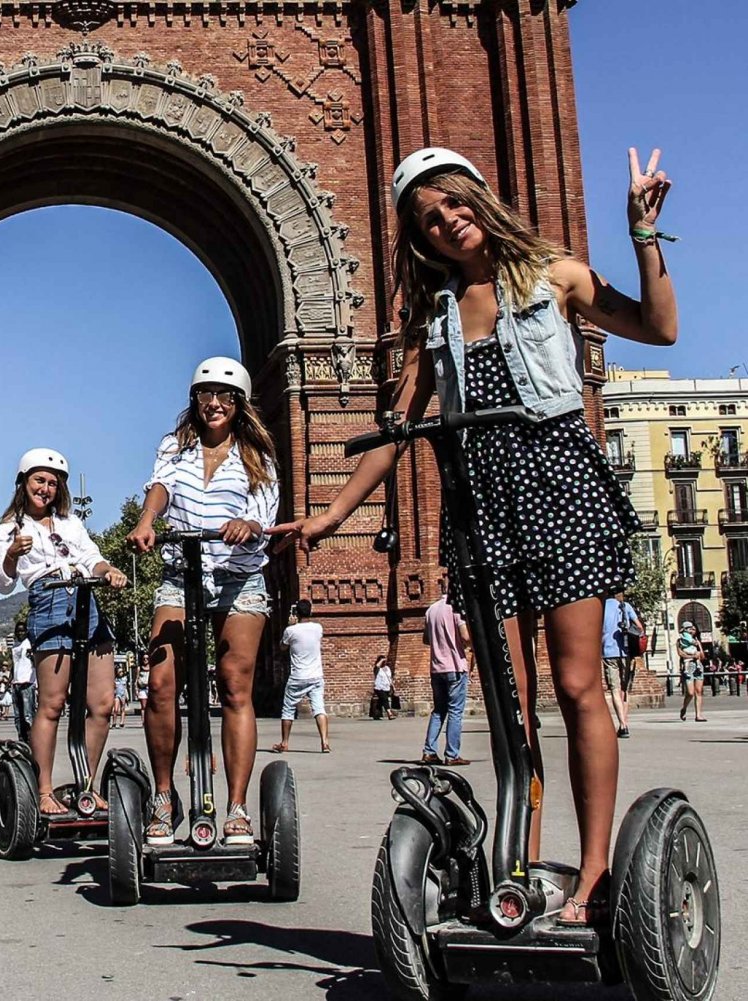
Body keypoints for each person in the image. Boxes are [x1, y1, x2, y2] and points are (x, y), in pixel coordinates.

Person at [270, 145, 676, 926]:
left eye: (454, 203)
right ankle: (516, 860)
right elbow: (394, 429)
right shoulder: (439, 317)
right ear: (421, 240)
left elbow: (658, 327)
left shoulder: (556, 274)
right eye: (430, 219)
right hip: (481, 504)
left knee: (578, 683)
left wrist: (643, 235)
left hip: (562, 488)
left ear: (479, 199)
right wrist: (327, 515)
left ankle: (593, 873)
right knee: (506, 695)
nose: (448, 221)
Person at [128, 357, 278, 847]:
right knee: (162, 679)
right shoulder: (176, 445)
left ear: (239, 405)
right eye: (205, 395)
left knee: (235, 685)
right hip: (182, 570)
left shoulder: (257, 454)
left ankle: (236, 808)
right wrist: (148, 520)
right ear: (194, 400)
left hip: (239, 577)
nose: (214, 403)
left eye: (225, 396)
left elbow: (263, 513)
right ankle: (164, 796)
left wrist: (248, 525)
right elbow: (160, 489)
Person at [0, 447, 128, 817]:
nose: (46, 488)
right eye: (40, 480)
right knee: (51, 704)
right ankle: (44, 790)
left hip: (86, 599)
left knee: (101, 703)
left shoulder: (70, 523)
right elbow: (2, 585)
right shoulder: (9, 529)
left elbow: (91, 557)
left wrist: (109, 571)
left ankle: (86, 785)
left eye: (53, 483)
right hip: (50, 601)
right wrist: (11, 555)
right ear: (23, 483)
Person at [422, 590, 472, 764]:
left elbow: (426, 639)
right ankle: (452, 754)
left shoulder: (431, 610)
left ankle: (429, 752)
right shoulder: (457, 609)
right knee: (455, 711)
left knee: (438, 711)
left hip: (436, 668)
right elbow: (465, 636)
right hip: (455, 666)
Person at [274, 600, 331, 753]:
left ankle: (285, 742)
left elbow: (282, 647)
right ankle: (325, 742)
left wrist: (290, 625)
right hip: (316, 676)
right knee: (319, 708)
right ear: (310, 612)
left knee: (288, 709)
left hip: (298, 676)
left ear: (296, 613)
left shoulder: (290, 631)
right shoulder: (318, 628)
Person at [602, 592, 643, 737]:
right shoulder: (625, 606)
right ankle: (624, 722)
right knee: (625, 689)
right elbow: (639, 628)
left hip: (608, 652)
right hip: (626, 653)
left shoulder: (601, 607)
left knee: (615, 689)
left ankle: (623, 725)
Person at [10, 623, 36, 742]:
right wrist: (11, 680)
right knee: (18, 717)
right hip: (16, 683)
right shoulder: (15, 646)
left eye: (23, 631)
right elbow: (14, 664)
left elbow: (35, 662)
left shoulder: (29, 644)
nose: (20, 633)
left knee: (28, 715)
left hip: (27, 682)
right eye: (18, 631)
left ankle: (32, 740)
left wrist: (33, 656)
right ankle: (22, 739)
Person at [677, 621, 706, 722]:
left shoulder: (696, 641)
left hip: (698, 666)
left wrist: (700, 647)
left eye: (693, 629)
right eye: (690, 629)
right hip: (688, 665)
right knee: (690, 692)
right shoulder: (681, 641)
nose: (692, 631)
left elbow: (702, 656)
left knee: (698, 691)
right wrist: (692, 656)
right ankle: (684, 708)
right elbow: (680, 653)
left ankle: (698, 715)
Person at [372, 654, 394, 721]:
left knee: (381, 701)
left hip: (387, 687)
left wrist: (392, 686)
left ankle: (376, 714)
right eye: (383, 661)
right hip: (379, 687)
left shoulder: (387, 668)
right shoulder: (377, 669)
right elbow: (377, 666)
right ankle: (389, 713)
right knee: (385, 699)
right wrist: (381, 660)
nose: (384, 662)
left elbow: (390, 677)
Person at [111, 664, 129, 728]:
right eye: (119, 672)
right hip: (117, 695)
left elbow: (125, 687)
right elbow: (113, 688)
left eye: (121, 672)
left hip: (123, 694)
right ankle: (114, 722)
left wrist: (127, 696)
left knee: (123, 708)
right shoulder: (115, 679)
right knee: (115, 709)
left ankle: (122, 722)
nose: (121, 673)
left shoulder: (124, 679)